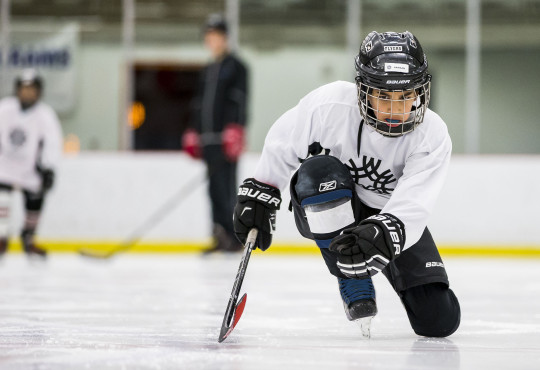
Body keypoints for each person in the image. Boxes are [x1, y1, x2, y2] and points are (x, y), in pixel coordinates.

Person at [232, 31, 461, 338]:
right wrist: (262, 190)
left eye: (406, 96)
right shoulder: (328, 106)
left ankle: (381, 273)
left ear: (421, 92)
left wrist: (385, 232)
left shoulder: (432, 134)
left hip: (390, 215)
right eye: (384, 96)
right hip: (334, 201)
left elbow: (414, 203)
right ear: (363, 90)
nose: (395, 110)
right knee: (319, 170)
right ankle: (352, 279)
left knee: (439, 320)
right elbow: (283, 141)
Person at [183, 14, 249, 253]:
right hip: (207, 139)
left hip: (225, 140)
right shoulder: (207, 69)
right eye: (209, 37)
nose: (212, 41)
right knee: (212, 189)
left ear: (225, 38)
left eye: (216, 36)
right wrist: (193, 130)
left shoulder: (237, 67)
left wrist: (236, 129)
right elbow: (198, 104)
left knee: (226, 188)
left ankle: (234, 237)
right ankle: (218, 233)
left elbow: (240, 100)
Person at [0, 69, 63, 258]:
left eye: (31, 89)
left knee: (35, 202)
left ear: (39, 92)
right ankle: (1, 238)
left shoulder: (45, 115)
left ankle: (28, 238)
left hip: (31, 169)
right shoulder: (5, 108)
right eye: (24, 88)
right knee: (1, 200)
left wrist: (49, 168)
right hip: (4, 167)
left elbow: (52, 143)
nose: (27, 93)